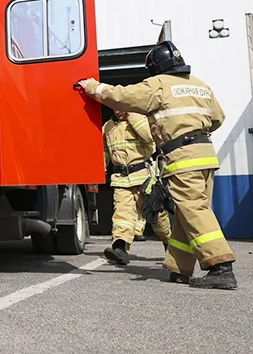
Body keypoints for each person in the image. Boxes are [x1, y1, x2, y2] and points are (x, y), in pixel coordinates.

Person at [77, 41, 236, 289]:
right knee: (186, 213)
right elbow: (217, 118)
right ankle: (179, 268)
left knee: (194, 210)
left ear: (156, 67)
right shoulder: (199, 85)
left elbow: (122, 97)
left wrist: (93, 88)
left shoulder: (158, 85)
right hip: (205, 154)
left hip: (183, 158)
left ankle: (220, 266)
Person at [101, 110, 171, 266]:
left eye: (122, 106)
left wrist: (132, 115)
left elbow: (150, 138)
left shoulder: (140, 119)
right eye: (115, 107)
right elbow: (105, 151)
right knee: (122, 213)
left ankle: (170, 243)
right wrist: (101, 168)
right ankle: (120, 248)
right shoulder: (108, 126)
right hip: (121, 180)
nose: (119, 111)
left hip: (144, 178)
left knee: (157, 216)